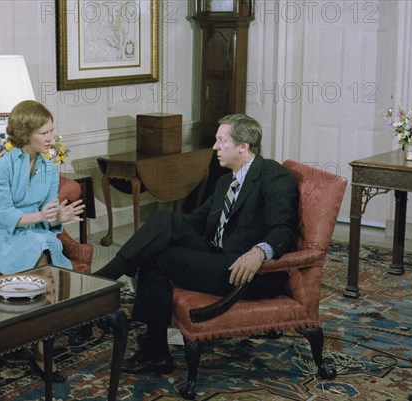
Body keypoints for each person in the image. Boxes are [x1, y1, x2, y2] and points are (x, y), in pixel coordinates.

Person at [94, 114, 299, 374]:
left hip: (248, 271)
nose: (215, 147)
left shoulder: (273, 174)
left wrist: (260, 251)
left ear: (243, 146)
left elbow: (285, 228)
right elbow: (195, 220)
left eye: (221, 141)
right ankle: (151, 345)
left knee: (158, 257)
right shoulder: (226, 180)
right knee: (163, 227)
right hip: (217, 256)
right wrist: (158, 234)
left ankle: (105, 286)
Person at [0, 100, 85, 382]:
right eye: (44, 133)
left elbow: (49, 214)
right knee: (43, 253)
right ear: (26, 134)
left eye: (51, 131)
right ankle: (41, 346)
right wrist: (40, 216)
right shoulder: (2, 166)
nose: (51, 138)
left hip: (35, 231)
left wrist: (59, 215)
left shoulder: (50, 165)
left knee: (47, 247)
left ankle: (38, 334)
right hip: (1, 233)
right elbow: (2, 213)